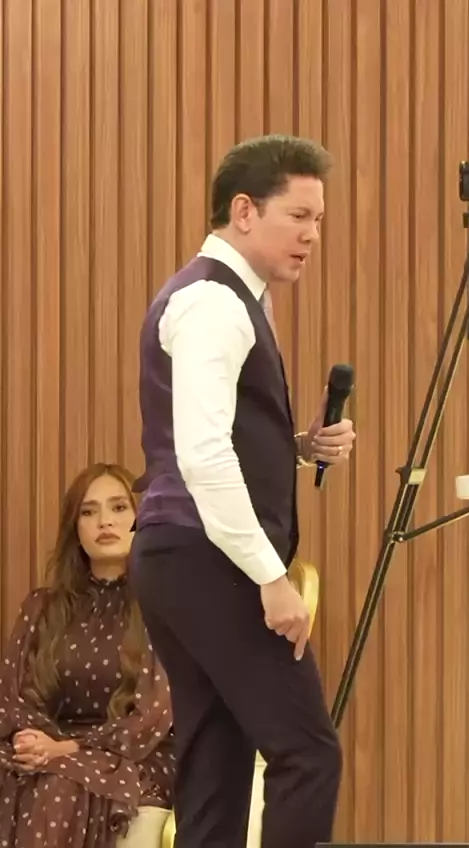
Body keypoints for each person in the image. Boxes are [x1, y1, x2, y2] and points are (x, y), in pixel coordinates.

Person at [130, 134, 356, 848]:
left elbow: (210, 434)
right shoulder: (213, 304)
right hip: (208, 558)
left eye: (318, 220)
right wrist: (271, 577)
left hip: (178, 556)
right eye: (299, 216)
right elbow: (202, 455)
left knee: (216, 762)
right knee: (307, 752)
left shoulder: (225, 298)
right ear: (244, 211)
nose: (313, 235)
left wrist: (297, 446)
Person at [0, 462, 175, 847]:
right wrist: (32, 741)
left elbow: (153, 717)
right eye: (88, 511)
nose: (104, 522)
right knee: (30, 772)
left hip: (137, 755)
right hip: (50, 747)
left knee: (58, 783)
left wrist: (66, 749)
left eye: (119, 508)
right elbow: (12, 697)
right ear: (75, 529)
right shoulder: (42, 608)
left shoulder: (163, 606)